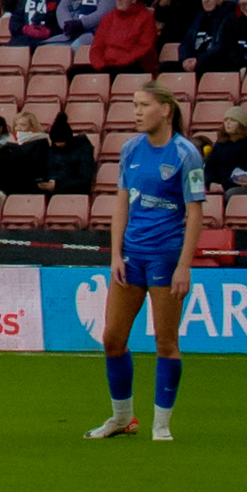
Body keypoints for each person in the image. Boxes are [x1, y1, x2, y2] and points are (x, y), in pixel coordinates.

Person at [87, 80, 208, 445]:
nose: (136, 112)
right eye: (134, 105)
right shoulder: (130, 149)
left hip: (165, 256)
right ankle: (122, 417)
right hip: (131, 255)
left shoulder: (186, 153)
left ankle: (161, 423)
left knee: (166, 343)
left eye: (143, 105)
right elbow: (122, 202)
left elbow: (196, 212)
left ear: (165, 109)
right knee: (112, 338)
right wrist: (114, 255)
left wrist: (185, 265)